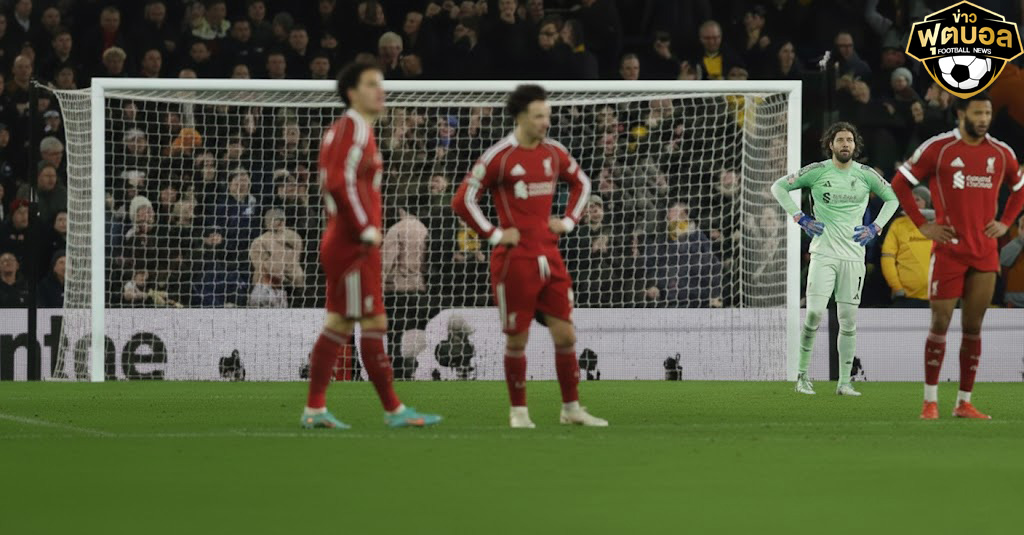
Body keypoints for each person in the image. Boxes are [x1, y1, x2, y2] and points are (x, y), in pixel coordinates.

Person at [451, 84, 607, 428]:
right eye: (539, 116)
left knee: (566, 335)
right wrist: (493, 234)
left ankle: (571, 409)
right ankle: (519, 412)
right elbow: (462, 200)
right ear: (521, 117)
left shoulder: (554, 152)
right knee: (517, 339)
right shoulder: (500, 156)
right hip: (514, 261)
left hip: (549, 256)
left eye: (547, 116)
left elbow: (582, 183)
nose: (545, 123)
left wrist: (568, 221)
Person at [301, 60, 441, 430]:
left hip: (351, 243)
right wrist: (365, 227)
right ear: (352, 92)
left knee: (352, 323)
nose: (381, 90)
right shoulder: (352, 128)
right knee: (356, 322)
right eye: (371, 84)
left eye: (381, 83)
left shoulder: (356, 129)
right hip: (350, 243)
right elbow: (337, 182)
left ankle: (327, 408)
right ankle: (384, 410)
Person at [890, 93, 1024, 420]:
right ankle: (930, 402)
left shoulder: (1001, 152)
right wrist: (923, 225)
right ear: (961, 114)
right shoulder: (939, 148)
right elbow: (899, 183)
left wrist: (1005, 222)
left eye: (987, 113)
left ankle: (964, 402)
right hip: (949, 251)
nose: (984, 119)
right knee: (940, 324)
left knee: (973, 327)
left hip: (984, 253)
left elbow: (1020, 189)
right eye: (978, 113)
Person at [771, 122, 899, 396]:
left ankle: (844, 383)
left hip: (853, 257)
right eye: (840, 139)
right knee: (814, 313)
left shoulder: (865, 174)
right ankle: (802, 377)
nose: (845, 144)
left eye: (849, 140)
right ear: (831, 144)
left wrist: (875, 228)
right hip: (823, 254)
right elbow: (778, 187)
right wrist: (800, 217)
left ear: (855, 145)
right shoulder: (817, 171)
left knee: (848, 320)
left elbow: (893, 199)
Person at [881, 186, 933, 307]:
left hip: (935, 296)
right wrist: (897, 287)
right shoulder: (898, 225)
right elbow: (887, 258)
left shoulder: (937, 225)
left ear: (926, 202)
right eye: (910, 200)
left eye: (917, 199)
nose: (913, 203)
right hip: (905, 297)